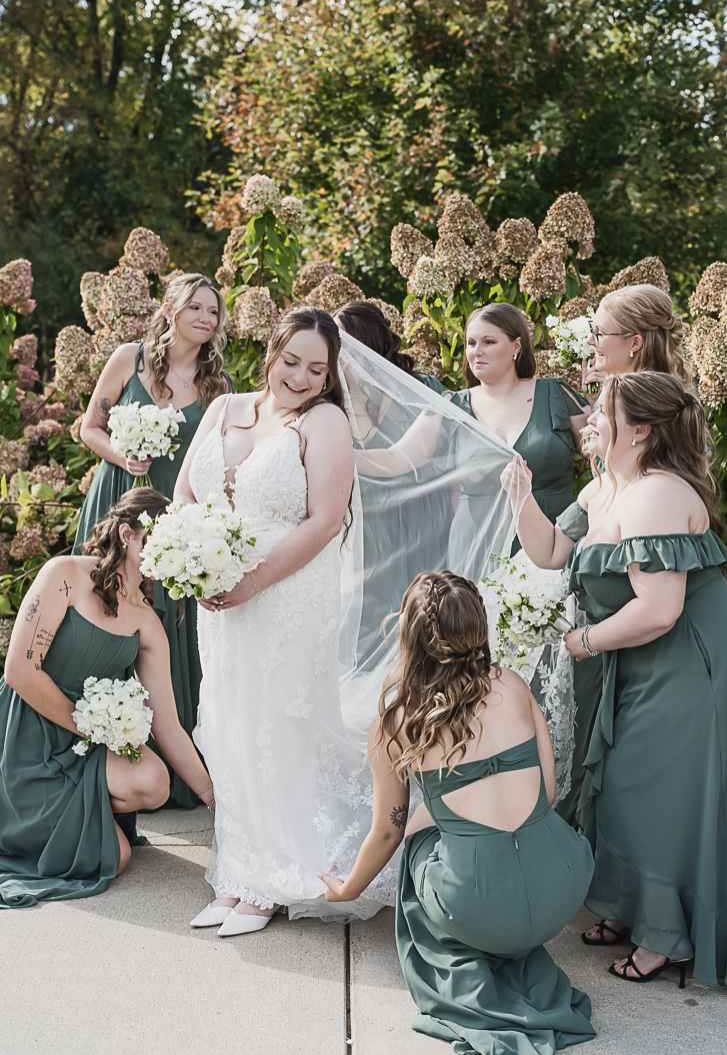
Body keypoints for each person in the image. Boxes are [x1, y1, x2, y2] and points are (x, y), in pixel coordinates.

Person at [503, 372, 727, 989]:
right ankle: (636, 909)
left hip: (702, 657)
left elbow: (659, 608)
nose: (589, 420)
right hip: (652, 654)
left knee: (656, 794)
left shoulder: (655, 496)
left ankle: (667, 937)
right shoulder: (606, 488)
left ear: (640, 430)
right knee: (621, 783)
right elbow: (549, 554)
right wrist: (520, 497)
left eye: (603, 412)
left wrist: (577, 643)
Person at [319, 571, 595, 1055]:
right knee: (449, 829)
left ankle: (469, 953)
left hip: (480, 908)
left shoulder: (399, 720)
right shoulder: (511, 683)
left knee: (418, 847)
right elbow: (547, 794)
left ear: (411, 634)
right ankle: (510, 934)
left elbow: (386, 831)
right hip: (562, 889)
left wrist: (347, 890)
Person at [175, 306, 382, 936]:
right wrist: (194, 559)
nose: (301, 376)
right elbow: (186, 491)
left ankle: (276, 878)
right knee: (232, 723)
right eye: (291, 360)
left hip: (288, 590)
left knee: (279, 726)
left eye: (317, 369)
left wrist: (252, 580)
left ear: (329, 378)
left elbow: (324, 519)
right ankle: (239, 871)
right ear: (271, 351)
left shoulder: (325, 422)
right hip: (221, 597)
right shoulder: (223, 408)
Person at [0, 489, 216, 908]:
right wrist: (92, 726)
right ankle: (18, 822)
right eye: (160, 539)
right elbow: (20, 672)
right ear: (126, 534)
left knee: (154, 782)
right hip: (28, 732)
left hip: (87, 744)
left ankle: (70, 811)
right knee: (115, 858)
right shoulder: (64, 575)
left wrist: (214, 798)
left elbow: (168, 726)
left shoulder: (149, 624)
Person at [75, 274, 232, 806]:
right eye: (197, 307)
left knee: (166, 627)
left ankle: (171, 764)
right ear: (170, 308)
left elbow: (215, 464)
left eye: (214, 311)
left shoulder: (217, 388)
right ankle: (98, 753)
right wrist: (123, 455)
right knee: (106, 613)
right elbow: (88, 428)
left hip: (171, 521)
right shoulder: (129, 359)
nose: (206, 318)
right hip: (118, 497)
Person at [552, 283, 694, 821]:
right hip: (616, 571)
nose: (591, 342)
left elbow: (644, 492)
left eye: (600, 333)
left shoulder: (658, 403)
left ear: (633, 342)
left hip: (649, 574)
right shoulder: (612, 395)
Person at [335, 302, 452, 663]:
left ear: (363, 342)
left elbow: (414, 455)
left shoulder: (421, 389)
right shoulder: (330, 400)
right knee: (373, 619)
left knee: (426, 618)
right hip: (367, 525)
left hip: (422, 521)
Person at [450, 304, 587, 555]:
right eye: (471, 343)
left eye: (488, 342)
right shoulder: (452, 406)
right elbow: (397, 458)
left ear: (516, 346)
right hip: (476, 544)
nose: (476, 352)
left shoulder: (555, 393)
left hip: (554, 537)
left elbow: (609, 453)